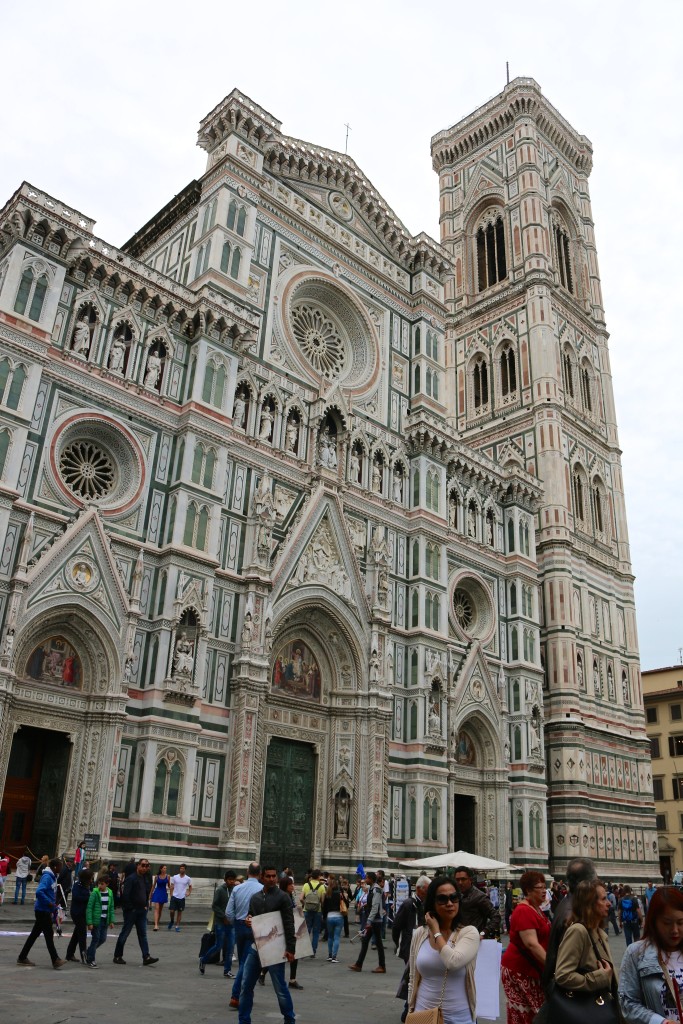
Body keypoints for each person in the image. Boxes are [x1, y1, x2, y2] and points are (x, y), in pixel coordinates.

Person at [407, 874, 480, 1024]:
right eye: (442, 899)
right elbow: (413, 976)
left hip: (459, 1017)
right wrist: (411, 1008)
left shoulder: (469, 933)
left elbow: (452, 961)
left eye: (454, 897)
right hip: (423, 1014)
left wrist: (436, 932)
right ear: (432, 903)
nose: (449, 903)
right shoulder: (420, 934)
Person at [237, 865, 296, 1024]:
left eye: (274, 876)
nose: (271, 879)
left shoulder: (283, 897)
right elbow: (251, 915)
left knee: (280, 989)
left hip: (275, 949)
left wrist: (291, 949)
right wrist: (249, 920)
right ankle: (243, 1021)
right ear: (262, 877)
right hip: (256, 946)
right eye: (268, 876)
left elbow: (289, 924)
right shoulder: (255, 897)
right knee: (245, 986)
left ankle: (289, 1020)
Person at [619, 885, 683, 1023]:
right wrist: (660, 1022)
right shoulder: (636, 953)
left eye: (681, 922)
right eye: (667, 923)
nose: (675, 930)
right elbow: (627, 1003)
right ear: (654, 921)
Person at [554, 879, 617, 1013]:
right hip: (587, 1010)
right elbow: (563, 975)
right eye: (603, 899)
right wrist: (598, 978)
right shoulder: (578, 931)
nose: (609, 903)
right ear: (590, 904)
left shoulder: (599, 932)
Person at [500, 870, 551, 1024]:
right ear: (528, 890)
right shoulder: (523, 910)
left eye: (544, 887)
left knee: (535, 1013)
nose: (544, 891)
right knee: (527, 1014)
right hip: (520, 970)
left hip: (532, 969)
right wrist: (552, 967)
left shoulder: (537, 909)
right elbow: (531, 944)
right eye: (539, 888)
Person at [542, 855, 597, 992]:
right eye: (595, 878)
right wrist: (599, 977)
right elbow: (566, 971)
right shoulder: (572, 915)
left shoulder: (567, 904)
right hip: (572, 995)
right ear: (586, 883)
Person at [228, 862, 265, 1010]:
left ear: (247, 871)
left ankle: (246, 992)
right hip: (255, 926)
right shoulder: (263, 889)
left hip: (239, 926)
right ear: (260, 873)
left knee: (245, 960)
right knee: (246, 962)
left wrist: (236, 923)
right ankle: (236, 996)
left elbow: (229, 912)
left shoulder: (237, 888)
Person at [17, 857, 66, 969]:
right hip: (42, 910)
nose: (61, 868)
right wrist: (48, 902)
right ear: (54, 867)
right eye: (60, 866)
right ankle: (55, 959)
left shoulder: (53, 877)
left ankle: (22, 957)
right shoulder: (47, 877)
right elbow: (39, 891)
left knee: (34, 935)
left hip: (44, 910)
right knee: (49, 935)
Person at [393, 874, 430, 1022]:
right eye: (428, 889)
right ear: (420, 889)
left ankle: (410, 1007)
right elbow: (396, 925)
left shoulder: (426, 904)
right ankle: (407, 1009)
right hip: (410, 946)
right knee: (413, 977)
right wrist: (399, 944)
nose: (429, 892)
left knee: (417, 978)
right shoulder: (409, 904)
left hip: (422, 945)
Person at [112, 857, 158, 966]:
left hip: (142, 910)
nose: (145, 868)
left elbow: (146, 892)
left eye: (147, 866)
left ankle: (146, 956)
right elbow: (125, 895)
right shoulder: (131, 878)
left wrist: (146, 905)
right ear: (137, 865)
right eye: (142, 865)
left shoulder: (145, 878)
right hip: (132, 911)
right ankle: (117, 956)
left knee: (143, 934)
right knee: (125, 933)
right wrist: (130, 908)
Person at [348, 870, 386, 973]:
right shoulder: (372, 889)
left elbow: (375, 906)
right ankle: (359, 964)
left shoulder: (376, 890)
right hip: (374, 920)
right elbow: (372, 904)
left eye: (367, 878)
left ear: (371, 879)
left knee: (378, 943)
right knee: (366, 942)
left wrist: (369, 921)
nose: (365, 879)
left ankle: (381, 966)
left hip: (375, 921)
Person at [199, 870, 234, 976]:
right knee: (218, 945)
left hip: (231, 923)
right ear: (225, 880)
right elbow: (214, 906)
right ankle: (203, 960)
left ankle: (227, 970)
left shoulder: (235, 890)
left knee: (230, 947)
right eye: (230, 880)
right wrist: (223, 916)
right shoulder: (220, 890)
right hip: (220, 923)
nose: (232, 882)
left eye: (233, 880)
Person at [453, 866, 501, 937]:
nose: (460, 882)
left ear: (470, 879)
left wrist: (483, 933)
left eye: (463, 879)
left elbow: (496, 917)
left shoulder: (479, 897)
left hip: (474, 939)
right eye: (457, 880)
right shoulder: (455, 895)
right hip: (457, 937)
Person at [85, 872, 115, 968]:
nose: (100, 886)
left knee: (102, 939)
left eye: (102, 884)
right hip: (96, 920)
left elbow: (111, 908)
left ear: (107, 884)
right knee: (96, 939)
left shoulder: (110, 893)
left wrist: (111, 921)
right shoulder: (95, 893)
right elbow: (89, 908)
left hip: (105, 920)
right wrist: (89, 922)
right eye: (99, 883)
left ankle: (88, 952)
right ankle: (91, 960)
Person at [280, 874, 303, 991]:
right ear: (285, 886)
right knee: (278, 955)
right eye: (290, 884)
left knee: (294, 954)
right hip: (283, 929)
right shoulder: (282, 897)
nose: (293, 886)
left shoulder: (290, 896)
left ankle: (292, 979)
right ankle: (262, 973)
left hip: (291, 928)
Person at [66, 868, 93, 963]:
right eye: (90, 878)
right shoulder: (78, 885)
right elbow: (77, 897)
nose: (91, 880)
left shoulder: (88, 886)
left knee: (76, 935)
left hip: (84, 913)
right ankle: (84, 956)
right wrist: (88, 897)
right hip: (77, 913)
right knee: (82, 935)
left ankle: (69, 954)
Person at [300, 868, 325, 957]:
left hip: (307, 910)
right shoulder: (322, 886)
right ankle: (313, 951)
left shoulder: (306, 885)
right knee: (316, 932)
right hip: (317, 911)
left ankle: (304, 951)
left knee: (306, 931)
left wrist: (305, 904)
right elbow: (322, 901)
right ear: (318, 876)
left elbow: (301, 898)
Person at [323, 875, 344, 963]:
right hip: (339, 916)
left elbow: (324, 907)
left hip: (329, 916)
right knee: (336, 937)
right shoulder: (339, 894)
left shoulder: (327, 894)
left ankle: (330, 955)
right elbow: (345, 903)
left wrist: (324, 917)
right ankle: (334, 957)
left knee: (330, 937)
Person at [167, 863, 192, 931]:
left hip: (182, 897)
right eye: (180, 868)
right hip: (174, 896)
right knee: (172, 911)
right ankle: (172, 921)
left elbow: (190, 886)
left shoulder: (188, 878)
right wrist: (171, 894)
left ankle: (177, 926)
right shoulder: (175, 877)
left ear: (185, 870)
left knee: (179, 912)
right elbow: (172, 886)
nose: (181, 870)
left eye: (183, 868)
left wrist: (189, 892)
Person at [149, 864, 170, 930]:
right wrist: (150, 893)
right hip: (157, 892)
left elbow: (169, 886)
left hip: (163, 893)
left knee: (160, 910)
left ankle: (157, 923)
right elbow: (153, 885)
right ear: (161, 869)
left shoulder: (168, 876)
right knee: (156, 908)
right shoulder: (157, 877)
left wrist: (172, 887)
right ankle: (155, 925)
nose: (165, 869)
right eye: (164, 868)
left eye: (165, 868)